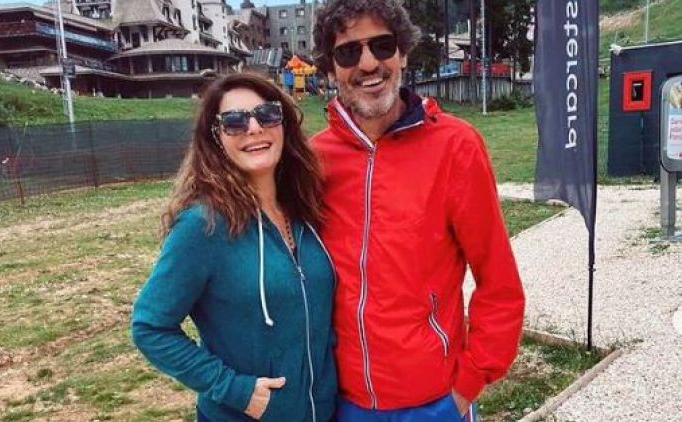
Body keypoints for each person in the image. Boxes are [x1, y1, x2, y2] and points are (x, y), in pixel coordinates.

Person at [311, 1, 525, 421]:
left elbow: (499, 283)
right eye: (349, 52)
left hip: (434, 402)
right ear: (330, 68)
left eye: (382, 45)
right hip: (342, 401)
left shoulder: (456, 147)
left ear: (403, 53)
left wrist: (466, 386)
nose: (368, 64)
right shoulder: (313, 159)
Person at [131, 73, 337, 422]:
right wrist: (235, 391)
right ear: (217, 136)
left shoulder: (306, 210)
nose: (254, 128)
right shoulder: (203, 225)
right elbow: (150, 327)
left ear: (283, 125)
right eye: (234, 121)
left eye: (267, 114)